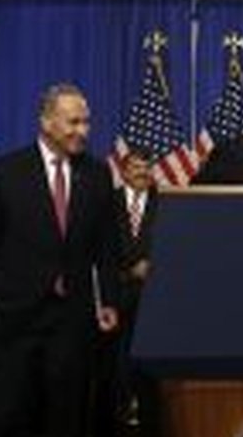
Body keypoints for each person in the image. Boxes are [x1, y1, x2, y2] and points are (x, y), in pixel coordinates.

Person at [0, 83, 120, 437]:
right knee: (9, 413)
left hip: (72, 319)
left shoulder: (97, 173)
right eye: (73, 122)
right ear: (46, 121)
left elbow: (107, 245)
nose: (82, 131)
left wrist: (109, 299)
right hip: (12, 319)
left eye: (86, 122)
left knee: (65, 414)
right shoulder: (6, 171)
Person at [91, 150, 159, 437]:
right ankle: (117, 419)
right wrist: (129, 271)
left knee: (148, 365)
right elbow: (98, 249)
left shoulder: (165, 202)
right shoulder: (107, 202)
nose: (142, 172)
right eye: (135, 167)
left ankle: (150, 421)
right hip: (115, 296)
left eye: (146, 167)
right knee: (115, 364)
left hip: (155, 300)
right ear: (123, 170)